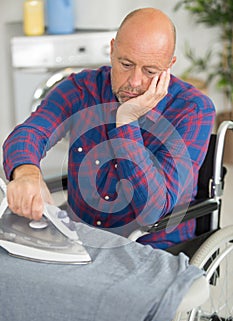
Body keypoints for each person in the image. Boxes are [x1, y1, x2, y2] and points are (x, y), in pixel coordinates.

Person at [3, 7, 215, 249]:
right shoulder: (83, 88)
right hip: (82, 238)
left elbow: (152, 212)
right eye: (126, 64)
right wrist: (27, 172)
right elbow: (32, 131)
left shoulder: (193, 110)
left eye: (150, 71)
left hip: (153, 249)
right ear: (112, 50)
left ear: (169, 65)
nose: (135, 82)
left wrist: (126, 122)